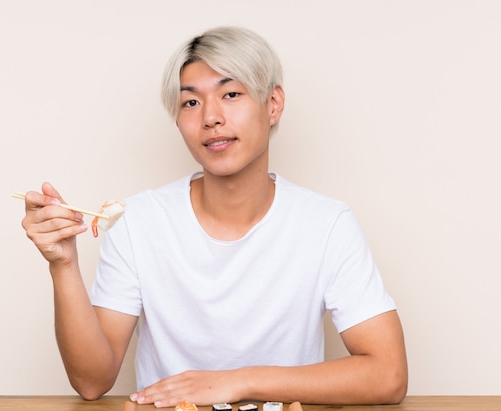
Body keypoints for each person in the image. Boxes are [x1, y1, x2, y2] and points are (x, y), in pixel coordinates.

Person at [20, 26, 408, 407]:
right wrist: (64, 264)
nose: (210, 117)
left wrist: (235, 382)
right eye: (191, 102)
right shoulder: (138, 221)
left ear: (273, 105)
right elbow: (92, 381)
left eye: (231, 94)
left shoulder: (326, 223)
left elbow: (388, 376)